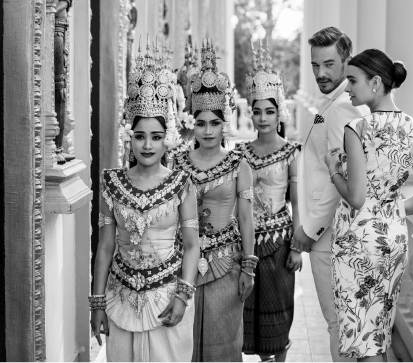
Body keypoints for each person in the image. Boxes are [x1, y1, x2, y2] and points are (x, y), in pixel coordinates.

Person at [324, 48, 413, 362]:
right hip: (394, 239)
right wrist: (392, 208)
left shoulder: (357, 129)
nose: (347, 88)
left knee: (364, 341)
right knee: (378, 334)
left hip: (358, 244)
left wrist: (333, 169)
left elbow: (357, 197)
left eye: (352, 80)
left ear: (375, 82)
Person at [90, 43, 200, 363]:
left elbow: (192, 246)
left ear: (168, 136)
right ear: (130, 136)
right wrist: (97, 303)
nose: (147, 144)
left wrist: (183, 296)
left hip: (167, 299)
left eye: (155, 135)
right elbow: (106, 246)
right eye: (140, 135)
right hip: (120, 298)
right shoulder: (111, 183)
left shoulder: (182, 184)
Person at [173, 40, 256, 363]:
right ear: (191, 122)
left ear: (225, 122)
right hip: (183, 265)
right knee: (183, 344)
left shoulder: (239, 165)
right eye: (201, 122)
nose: (207, 131)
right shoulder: (178, 162)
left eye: (215, 122)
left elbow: (247, 219)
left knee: (224, 343)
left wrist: (249, 266)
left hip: (226, 264)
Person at [292, 27, 365, 363]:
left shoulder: (341, 109)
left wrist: (310, 229)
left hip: (330, 236)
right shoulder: (330, 104)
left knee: (337, 323)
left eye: (329, 64)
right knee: (342, 322)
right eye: (315, 65)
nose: (320, 73)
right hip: (331, 233)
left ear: (346, 61)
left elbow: (342, 179)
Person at [235, 40, 302, 363]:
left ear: (280, 112)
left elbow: (297, 202)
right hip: (246, 245)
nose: (263, 118)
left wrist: (297, 246)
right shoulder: (240, 154)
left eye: (270, 111)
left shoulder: (291, 152)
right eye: (257, 111)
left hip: (279, 244)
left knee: (279, 311)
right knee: (251, 312)